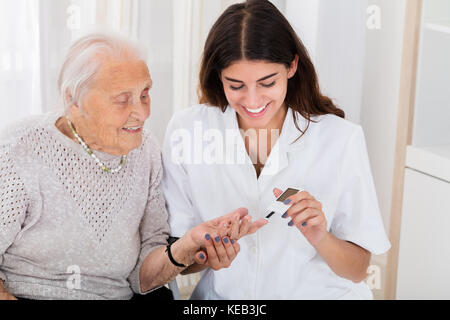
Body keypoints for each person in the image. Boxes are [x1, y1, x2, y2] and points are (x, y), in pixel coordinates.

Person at [0, 33, 267, 300]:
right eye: (122, 99)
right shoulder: (21, 150)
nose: (141, 112)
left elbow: (143, 277)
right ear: (73, 99)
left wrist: (189, 245)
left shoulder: (145, 150)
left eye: (144, 94)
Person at [162, 0, 391, 300]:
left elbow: (359, 269)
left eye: (267, 82)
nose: (252, 99)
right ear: (219, 76)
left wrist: (321, 236)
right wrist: (205, 254)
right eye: (236, 85)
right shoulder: (187, 130)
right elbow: (173, 258)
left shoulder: (340, 139)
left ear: (292, 66)